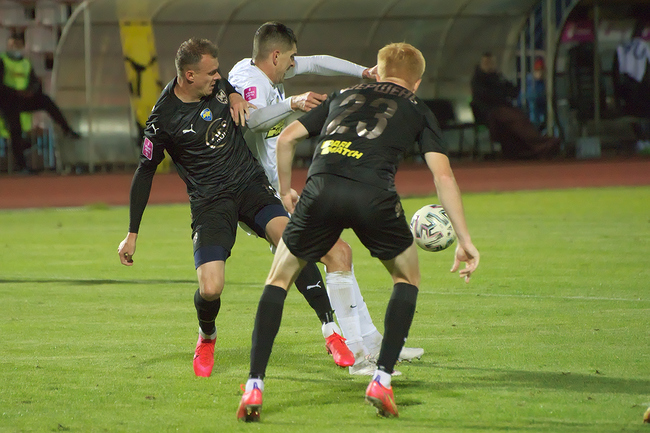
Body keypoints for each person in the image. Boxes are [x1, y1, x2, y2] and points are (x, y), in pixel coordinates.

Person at [237, 42, 480, 421]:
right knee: (406, 277)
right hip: (373, 194)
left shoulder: (343, 95)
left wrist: (285, 191)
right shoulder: (417, 107)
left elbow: (286, 139)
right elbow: (443, 176)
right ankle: (381, 379)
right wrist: (464, 240)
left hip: (321, 188)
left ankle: (254, 385)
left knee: (278, 280)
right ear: (416, 82)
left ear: (378, 71)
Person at [117, 37, 354, 379]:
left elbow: (225, 84)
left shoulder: (216, 86)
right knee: (210, 288)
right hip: (210, 203)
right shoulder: (163, 118)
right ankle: (207, 336)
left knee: (292, 243)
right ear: (188, 76)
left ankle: (331, 332)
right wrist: (132, 234)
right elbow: (144, 173)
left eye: (219, 72)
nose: (219, 77)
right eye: (211, 73)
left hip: (250, 186)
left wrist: (233, 94)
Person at [228, 21, 423, 375]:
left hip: (275, 192)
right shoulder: (250, 81)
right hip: (260, 195)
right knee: (334, 255)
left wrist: (363, 72)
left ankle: (370, 342)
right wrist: (292, 102)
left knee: (339, 255)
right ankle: (355, 351)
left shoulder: (268, 68)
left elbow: (318, 62)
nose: (295, 64)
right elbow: (253, 122)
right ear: (275, 56)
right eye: (291, 58)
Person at [0, 30, 80, 172]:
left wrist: (31, 91)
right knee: (15, 127)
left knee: (45, 100)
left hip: (22, 98)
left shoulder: (26, 62)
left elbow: (34, 82)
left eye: (18, 45)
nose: (15, 48)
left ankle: (66, 129)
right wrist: (16, 92)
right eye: (13, 45)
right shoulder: (2, 60)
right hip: (6, 100)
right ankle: (22, 165)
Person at [471, 52, 559, 160]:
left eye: (491, 63)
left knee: (519, 118)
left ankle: (533, 146)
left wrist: (502, 89)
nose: (489, 65)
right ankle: (540, 144)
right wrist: (501, 92)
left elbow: (513, 91)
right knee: (516, 119)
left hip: (503, 109)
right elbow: (487, 97)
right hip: (490, 112)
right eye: (486, 63)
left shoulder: (497, 77)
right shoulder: (478, 80)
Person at [612, 20, 650, 152]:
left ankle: (643, 139)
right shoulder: (640, 48)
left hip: (631, 94)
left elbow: (616, 74)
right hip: (634, 96)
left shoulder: (622, 49)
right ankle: (642, 139)